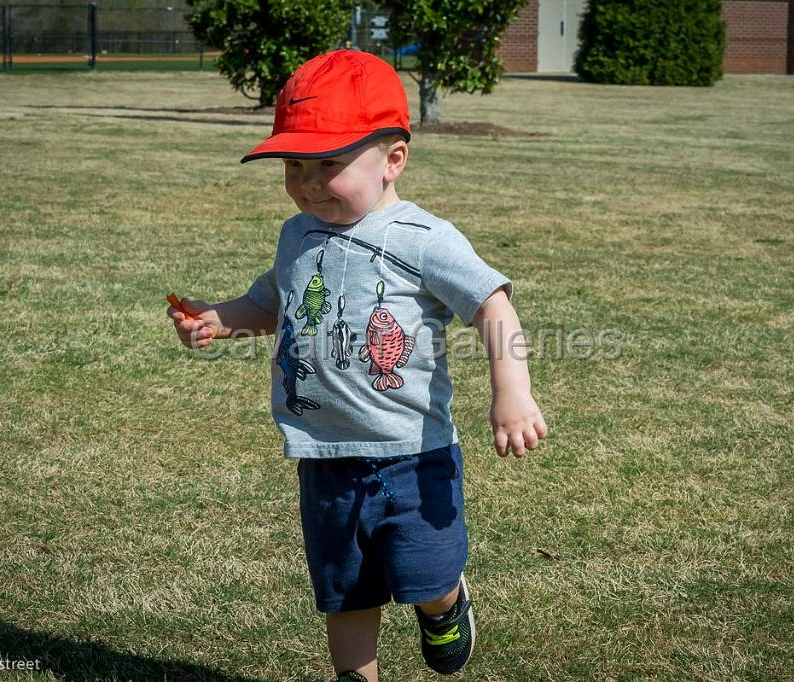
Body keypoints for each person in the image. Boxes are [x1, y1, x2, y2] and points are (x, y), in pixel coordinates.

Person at [167, 49, 548, 682]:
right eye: (295, 165)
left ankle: (445, 605)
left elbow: (493, 307)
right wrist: (221, 317)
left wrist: (512, 393)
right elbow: (272, 302)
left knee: (424, 573)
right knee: (346, 591)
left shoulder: (423, 240)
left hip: (413, 454)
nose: (309, 183)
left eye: (329, 164)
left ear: (393, 158)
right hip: (324, 453)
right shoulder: (298, 234)